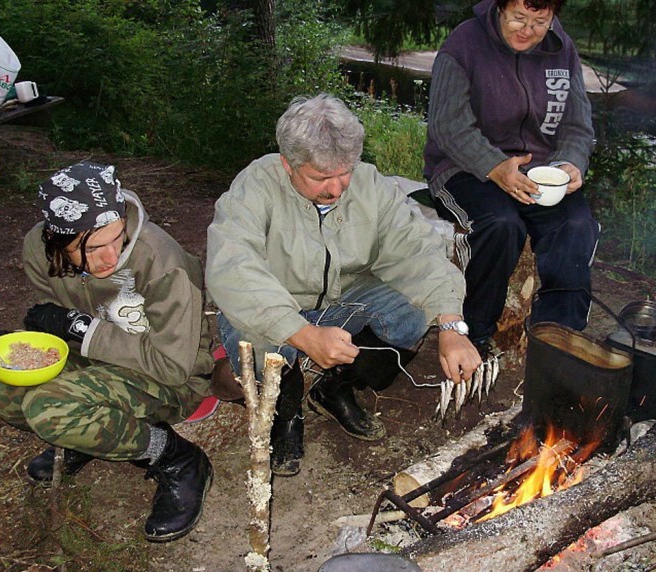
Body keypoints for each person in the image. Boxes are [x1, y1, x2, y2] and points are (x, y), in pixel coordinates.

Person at [206, 94, 481, 477]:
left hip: (345, 298)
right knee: (256, 350)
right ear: (288, 164)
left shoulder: (370, 186)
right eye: (320, 177)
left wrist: (451, 325)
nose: (336, 189)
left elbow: (416, 252)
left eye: (344, 172)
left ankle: (334, 386)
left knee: (417, 311)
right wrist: (301, 333)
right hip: (272, 304)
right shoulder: (256, 185)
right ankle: (287, 413)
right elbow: (234, 268)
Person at [0, 162, 214, 543]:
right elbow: (57, 320)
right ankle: (89, 436)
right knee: (5, 392)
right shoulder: (37, 250)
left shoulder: (162, 262)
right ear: (57, 240)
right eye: (92, 248)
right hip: (102, 360)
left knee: (49, 408)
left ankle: (177, 457)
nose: (111, 257)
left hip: (172, 377)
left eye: (118, 239)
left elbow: (174, 366)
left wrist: (79, 327)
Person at [424, 0, 600, 353]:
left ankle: (556, 340)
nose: (528, 30)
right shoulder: (464, 44)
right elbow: (448, 126)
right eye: (519, 18)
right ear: (499, 8)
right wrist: (495, 166)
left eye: (540, 21)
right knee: (502, 225)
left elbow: (578, 128)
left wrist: (571, 163)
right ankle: (473, 335)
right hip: (466, 168)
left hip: (538, 174)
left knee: (577, 226)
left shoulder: (561, 49)